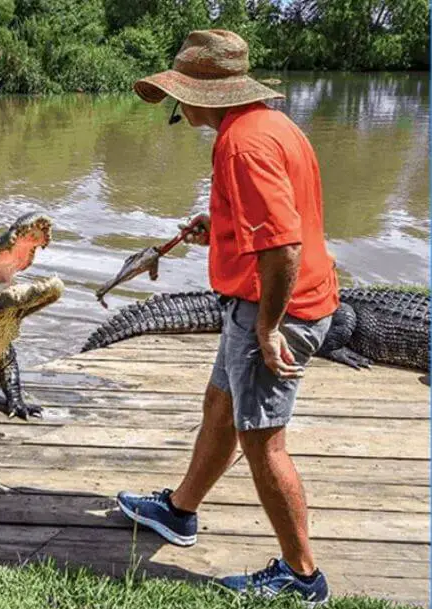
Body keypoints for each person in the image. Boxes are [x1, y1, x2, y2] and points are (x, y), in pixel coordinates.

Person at [115, 29, 340, 605]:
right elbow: (278, 220)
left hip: (276, 309)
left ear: (205, 93)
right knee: (221, 403)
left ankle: (302, 577)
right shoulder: (270, 126)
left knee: (263, 440)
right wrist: (219, 228)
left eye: (180, 93)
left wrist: (267, 329)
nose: (177, 105)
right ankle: (181, 510)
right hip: (259, 300)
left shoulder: (242, 144)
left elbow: (284, 247)